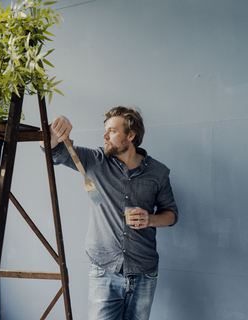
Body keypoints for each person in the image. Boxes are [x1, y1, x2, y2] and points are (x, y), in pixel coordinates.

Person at [41, 106, 178, 320]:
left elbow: (171, 214)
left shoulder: (158, 172)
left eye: (112, 131)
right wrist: (55, 128)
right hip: (104, 271)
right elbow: (51, 151)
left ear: (131, 135)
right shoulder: (94, 161)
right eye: (105, 130)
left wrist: (150, 219)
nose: (104, 136)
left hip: (144, 273)